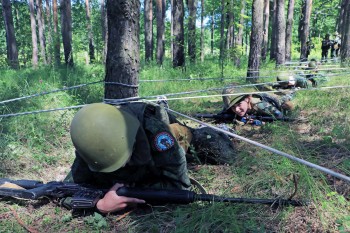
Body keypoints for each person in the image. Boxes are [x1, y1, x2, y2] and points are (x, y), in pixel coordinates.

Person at [65, 101, 235, 214]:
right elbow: (65, 189)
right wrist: (99, 205)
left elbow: (180, 187)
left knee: (222, 152)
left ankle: (221, 131)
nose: (121, 167)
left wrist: (132, 192)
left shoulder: (157, 134)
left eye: (122, 160)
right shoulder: (90, 145)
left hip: (176, 134)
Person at [221, 88, 294, 126]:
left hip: (273, 100)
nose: (236, 109)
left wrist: (260, 123)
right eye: (233, 107)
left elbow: (281, 118)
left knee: (286, 101)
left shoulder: (261, 105)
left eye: (239, 104)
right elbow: (222, 115)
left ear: (248, 99)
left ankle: (292, 92)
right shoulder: (230, 106)